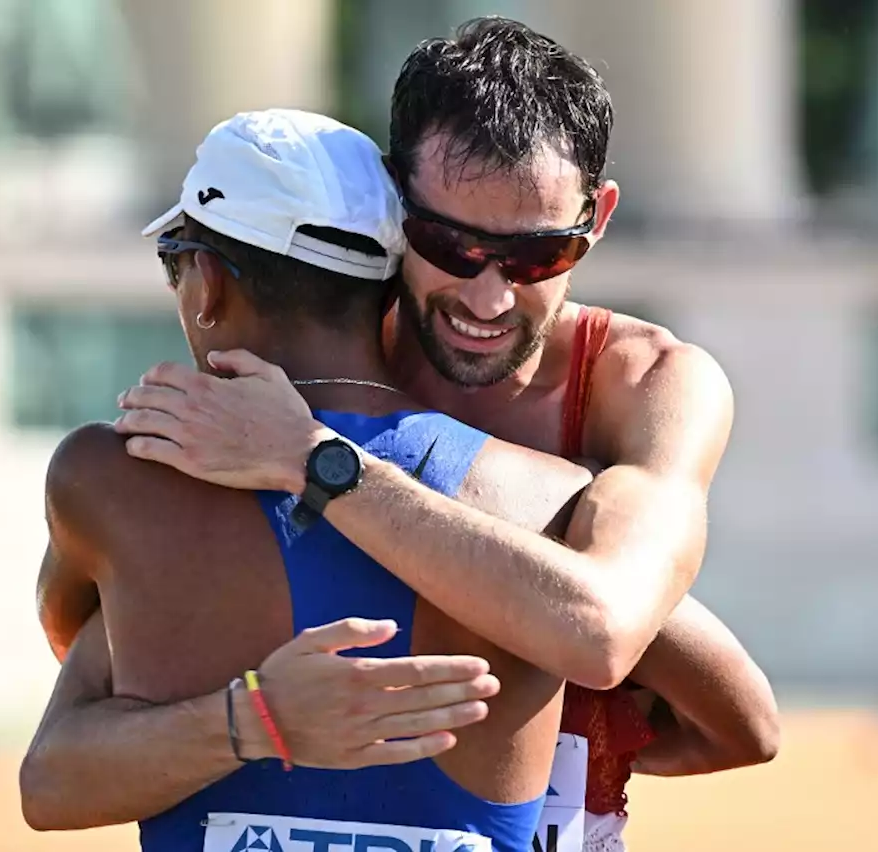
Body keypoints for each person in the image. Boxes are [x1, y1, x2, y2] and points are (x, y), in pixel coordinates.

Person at [101, 17, 772, 852]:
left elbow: (610, 638)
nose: (487, 299)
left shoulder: (647, 385)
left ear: (596, 219)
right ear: (393, 204)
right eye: (448, 245)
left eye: (536, 258)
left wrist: (317, 464)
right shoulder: (317, 346)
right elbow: (114, 615)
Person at [26, 107, 610, 852]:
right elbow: (746, 726)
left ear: (205, 284)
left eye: (175, 262)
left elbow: (48, 775)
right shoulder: (543, 495)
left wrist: (249, 719)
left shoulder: (114, 477)